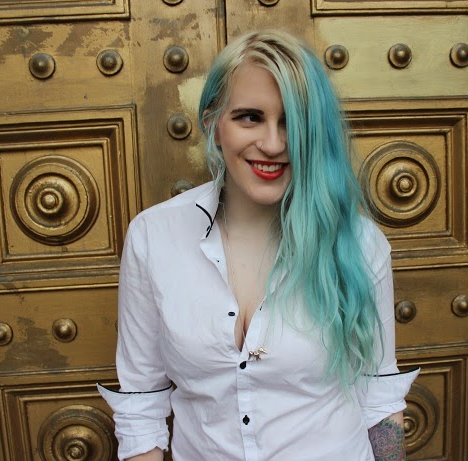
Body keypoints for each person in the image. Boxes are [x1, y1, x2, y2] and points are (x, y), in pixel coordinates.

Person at [98, 30, 419, 461]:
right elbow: (141, 403)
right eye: (250, 117)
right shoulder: (153, 237)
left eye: (292, 121)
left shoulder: (359, 243)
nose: (273, 144)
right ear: (213, 125)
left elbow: (379, 397)